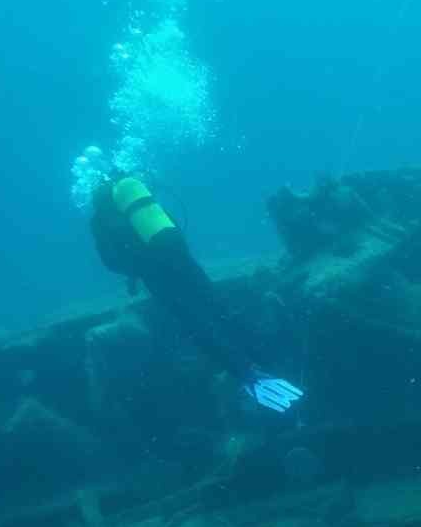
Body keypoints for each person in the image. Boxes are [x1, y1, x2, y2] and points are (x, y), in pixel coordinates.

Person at [90, 174, 304, 413]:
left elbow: (111, 261)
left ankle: (246, 375)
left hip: (155, 274)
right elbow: (171, 227)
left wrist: (137, 270)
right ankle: (266, 358)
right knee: (218, 308)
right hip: (180, 257)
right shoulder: (138, 200)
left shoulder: (100, 219)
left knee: (194, 323)